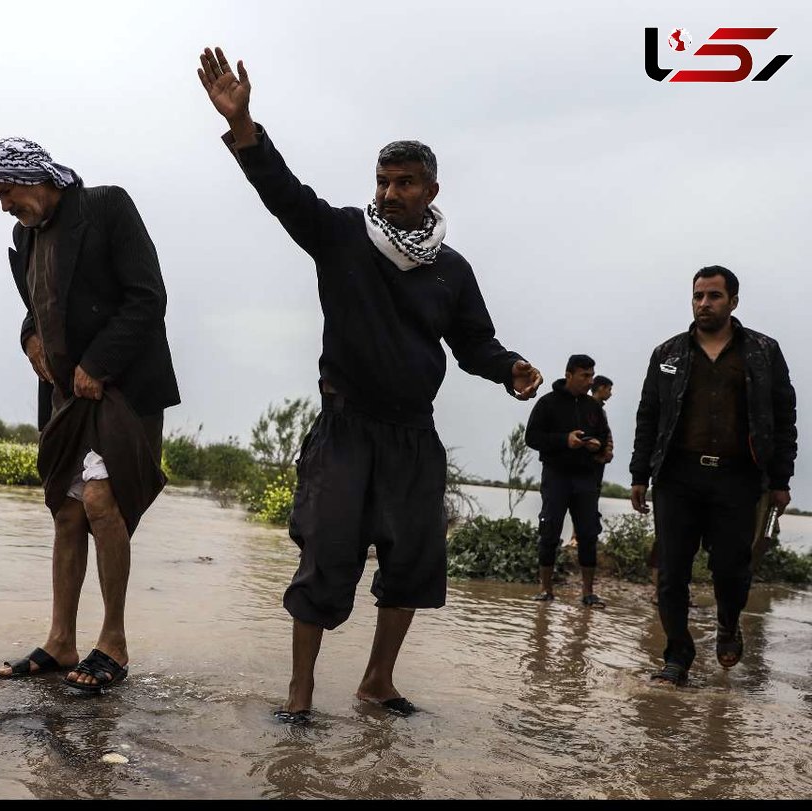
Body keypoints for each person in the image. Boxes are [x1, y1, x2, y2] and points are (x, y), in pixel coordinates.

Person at [197, 46, 543, 722]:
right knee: (325, 561)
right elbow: (283, 193)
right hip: (346, 430)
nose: (390, 193)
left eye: (405, 183)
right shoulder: (343, 235)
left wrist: (510, 368)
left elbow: (473, 342)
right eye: (383, 180)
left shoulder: (452, 270)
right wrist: (243, 125)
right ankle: (299, 693)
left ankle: (376, 680)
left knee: (412, 564)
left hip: (414, 437)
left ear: (431, 191)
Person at [0, 136, 180, 692]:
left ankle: (112, 644)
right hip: (64, 397)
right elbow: (34, 308)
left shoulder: (108, 206)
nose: (3, 205)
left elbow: (148, 296)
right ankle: (62, 641)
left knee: (100, 501)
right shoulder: (26, 235)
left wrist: (98, 361)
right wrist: (29, 341)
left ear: (34, 176)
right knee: (66, 513)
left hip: (122, 389)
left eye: (6, 190)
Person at [630, 266, 797, 686]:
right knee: (671, 571)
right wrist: (638, 474)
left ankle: (727, 624)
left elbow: (783, 417)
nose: (704, 304)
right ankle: (677, 656)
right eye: (698, 296)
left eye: (714, 296)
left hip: (738, 477)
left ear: (733, 302)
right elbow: (649, 414)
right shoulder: (667, 353)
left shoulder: (762, 351)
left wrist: (780, 480)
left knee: (731, 569)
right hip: (677, 475)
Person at [525, 355, 611, 607]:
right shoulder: (547, 403)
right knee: (549, 530)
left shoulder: (594, 407)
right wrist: (564, 440)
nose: (590, 381)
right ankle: (545, 590)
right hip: (556, 475)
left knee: (588, 533)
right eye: (585, 376)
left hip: (586, 478)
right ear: (569, 374)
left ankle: (588, 593)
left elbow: (604, 438)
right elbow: (532, 437)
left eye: (592, 376)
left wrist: (596, 445)